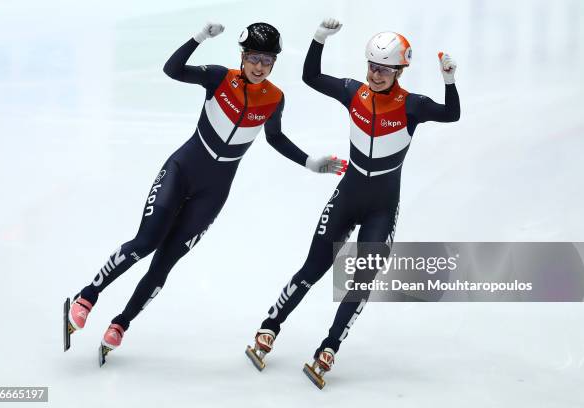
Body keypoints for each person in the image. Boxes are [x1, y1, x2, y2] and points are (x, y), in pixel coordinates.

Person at [63, 22, 347, 363]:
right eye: (254, 58)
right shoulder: (218, 78)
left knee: (165, 263)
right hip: (182, 170)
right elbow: (172, 70)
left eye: (268, 60)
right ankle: (87, 296)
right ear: (242, 56)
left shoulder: (274, 98)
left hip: (214, 191)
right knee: (146, 242)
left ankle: (121, 324)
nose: (259, 66)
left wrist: (309, 162)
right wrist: (198, 37)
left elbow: (275, 137)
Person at [246, 18, 460, 388]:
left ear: (400, 71)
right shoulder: (353, 92)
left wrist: (449, 79)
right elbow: (312, 77)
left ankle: (329, 346)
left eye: (384, 70)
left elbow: (451, 113)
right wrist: (318, 39)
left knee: (360, 282)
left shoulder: (414, 107)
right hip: (349, 195)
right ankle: (270, 326)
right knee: (313, 268)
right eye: (372, 67)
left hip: (381, 207)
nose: (375, 75)